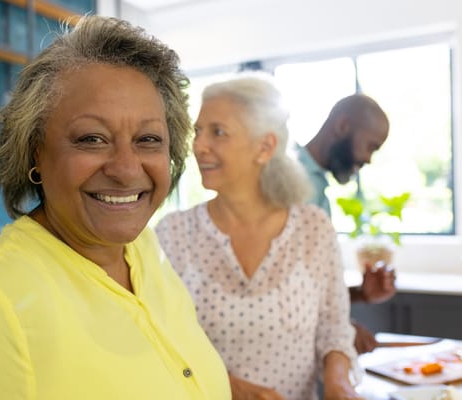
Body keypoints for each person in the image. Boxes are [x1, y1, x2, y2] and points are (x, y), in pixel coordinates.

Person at [0, 15, 231, 400]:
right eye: (92, 138)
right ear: (35, 152)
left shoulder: (143, 250)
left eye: (148, 138)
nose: (126, 169)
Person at [156, 76, 362, 400]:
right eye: (198, 131)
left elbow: (334, 330)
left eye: (218, 132)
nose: (199, 145)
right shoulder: (173, 234)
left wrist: (340, 385)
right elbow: (159, 340)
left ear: (265, 147)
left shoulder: (313, 228)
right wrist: (225, 384)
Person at [295, 94, 396, 353]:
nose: (369, 159)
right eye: (371, 146)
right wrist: (342, 328)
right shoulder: (292, 182)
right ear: (342, 126)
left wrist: (361, 293)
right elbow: (283, 289)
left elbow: (308, 288)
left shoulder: (316, 185)